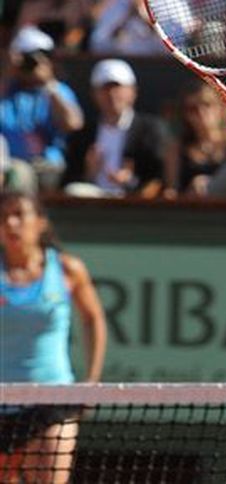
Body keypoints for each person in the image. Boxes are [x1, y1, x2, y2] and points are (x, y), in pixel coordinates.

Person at [0, 191, 107, 483]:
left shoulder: (67, 269)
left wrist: (92, 380)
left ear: (40, 222)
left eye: (19, 214)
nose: (10, 223)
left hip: (53, 399)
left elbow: (93, 319)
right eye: (3, 216)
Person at [63, 59, 171, 198]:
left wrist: (130, 181)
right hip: (92, 203)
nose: (111, 94)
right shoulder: (83, 135)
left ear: (133, 91)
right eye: (105, 89)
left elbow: (158, 177)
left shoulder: (151, 130)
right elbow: (69, 180)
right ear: (94, 94)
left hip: (135, 204)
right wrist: (89, 173)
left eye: (117, 87)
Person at [0, 26, 84, 194]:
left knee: (20, 173)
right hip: (6, 164)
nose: (32, 64)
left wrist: (48, 83)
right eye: (27, 58)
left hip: (45, 166)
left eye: (41, 57)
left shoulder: (58, 91)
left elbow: (73, 124)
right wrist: (8, 73)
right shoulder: (7, 91)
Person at [168, 81, 226, 198]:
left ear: (220, 107)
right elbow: (172, 191)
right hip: (193, 206)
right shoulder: (177, 148)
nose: (201, 112)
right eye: (192, 109)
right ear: (185, 114)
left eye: (207, 104)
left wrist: (208, 185)